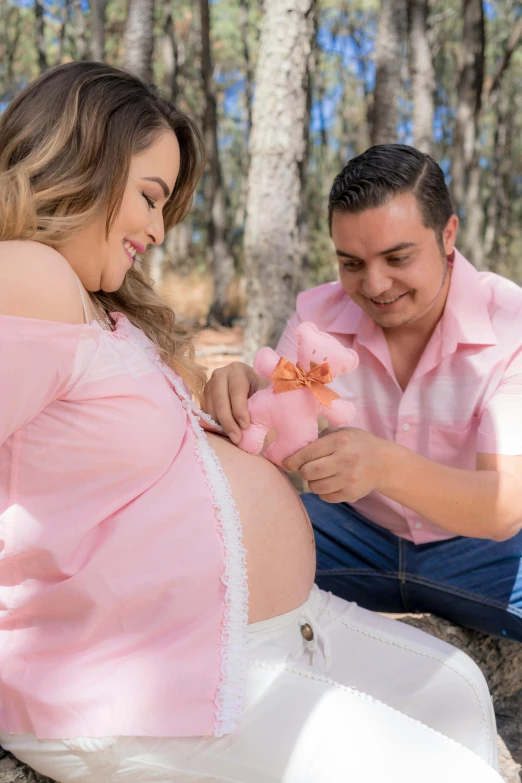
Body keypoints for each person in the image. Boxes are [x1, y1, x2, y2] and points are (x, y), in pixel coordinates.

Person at [0, 64, 502, 783]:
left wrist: (221, 390)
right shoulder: (32, 276)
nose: (157, 228)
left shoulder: (100, 307)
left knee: (459, 692)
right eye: (148, 197)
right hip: (133, 678)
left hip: (267, 630)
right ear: (78, 161)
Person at [204, 144, 522, 644]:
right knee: (210, 553)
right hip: (347, 539)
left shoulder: (512, 323)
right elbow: (273, 438)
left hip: (484, 552)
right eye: (351, 263)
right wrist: (239, 401)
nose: (374, 285)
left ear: (448, 235)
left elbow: (504, 508)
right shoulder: (317, 316)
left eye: (397, 257)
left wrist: (382, 467)